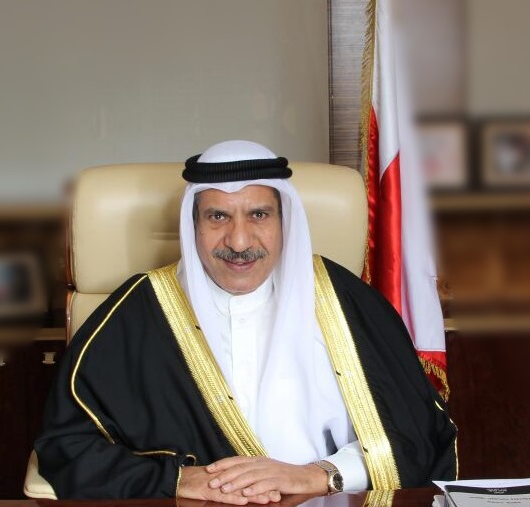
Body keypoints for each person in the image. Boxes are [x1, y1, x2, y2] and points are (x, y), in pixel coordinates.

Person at [34, 140, 457, 503]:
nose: (238, 242)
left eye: (258, 215)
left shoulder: (348, 302)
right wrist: (177, 479)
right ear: (193, 224)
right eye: (218, 217)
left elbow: (418, 434)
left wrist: (319, 475)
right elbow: (67, 445)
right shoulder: (137, 312)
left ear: (285, 220)